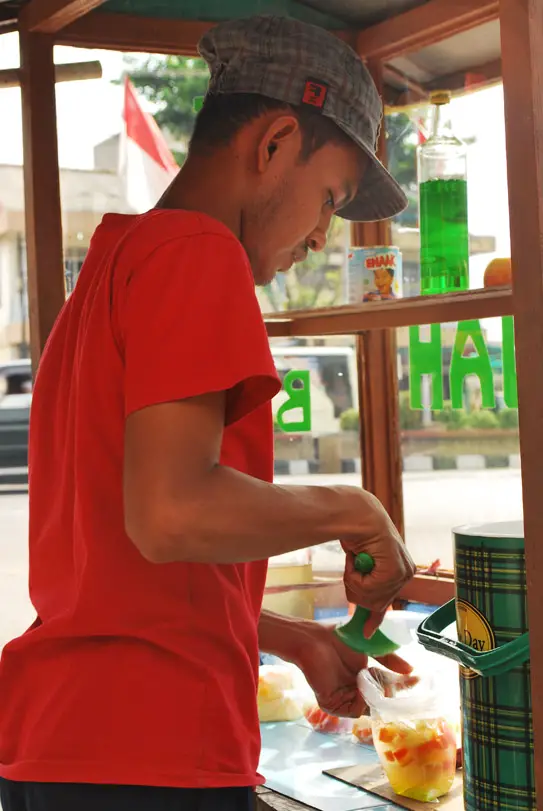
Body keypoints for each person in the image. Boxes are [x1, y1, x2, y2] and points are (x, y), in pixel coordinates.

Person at [0, 14, 416, 811]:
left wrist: (289, 637)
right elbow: (172, 513)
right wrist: (356, 508)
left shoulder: (119, 259)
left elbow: (127, 565)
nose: (320, 236)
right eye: (327, 198)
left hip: (61, 742)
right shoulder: (199, 252)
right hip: (148, 754)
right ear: (273, 144)